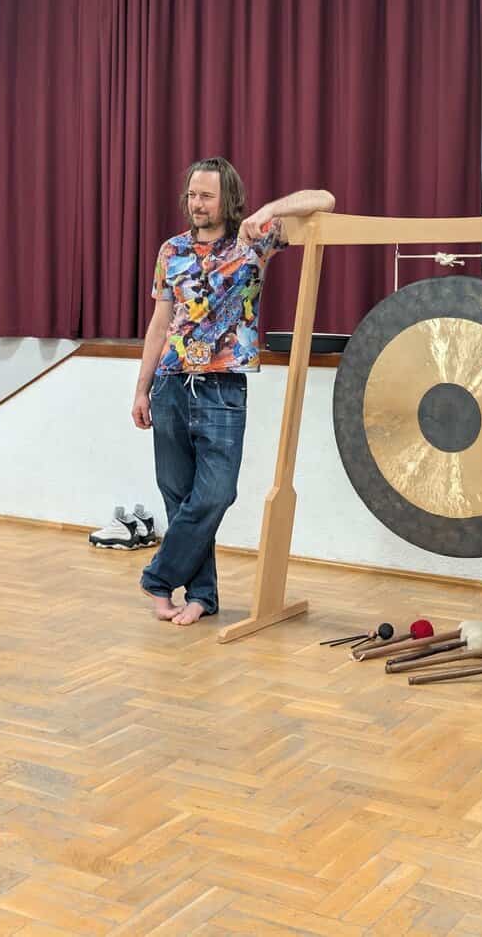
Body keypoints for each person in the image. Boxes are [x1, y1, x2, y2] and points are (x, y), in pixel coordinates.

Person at [133, 157, 335, 625]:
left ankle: (158, 577)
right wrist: (141, 389)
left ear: (228, 198)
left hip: (222, 388)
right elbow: (159, 324)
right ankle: (202, 596)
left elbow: (325, 200)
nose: (196, 204)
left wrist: (270, 210)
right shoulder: (171, 250)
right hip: (169, 385)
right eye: (191, 195)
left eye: (206, 195)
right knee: (178, 496)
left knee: (215, 495)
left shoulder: (254, 240)